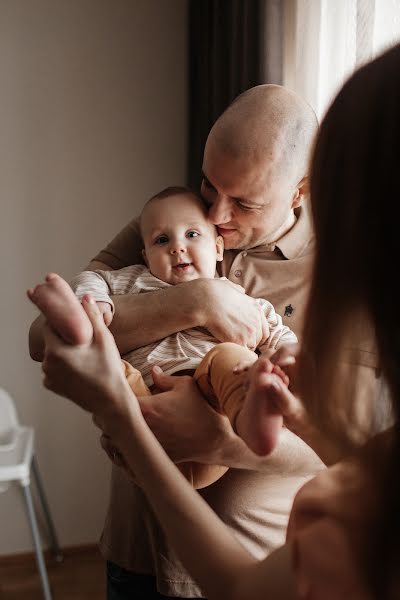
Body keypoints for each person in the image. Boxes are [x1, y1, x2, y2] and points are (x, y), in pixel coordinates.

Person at [31, 43, 400, 599]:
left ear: (300, 190)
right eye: (209, 185)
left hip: (255, 561)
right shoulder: (174, 221)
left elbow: (360, 441)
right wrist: (198, 301)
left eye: (244, 204)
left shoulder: (347, 262)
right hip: (138, 552)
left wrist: (221, 442)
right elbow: (46, 337)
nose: (216, 217)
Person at [43, 185, 297, 488]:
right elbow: (92, 277)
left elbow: (280, 337)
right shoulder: (135, 280)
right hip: (145, 402)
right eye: (162, 240)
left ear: (217, 248)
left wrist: (277, 359)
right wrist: (93, 299)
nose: (176, 247)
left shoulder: (238, 299)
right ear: (145, 255)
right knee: (109, 370)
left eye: (192, 235)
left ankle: (249, 414)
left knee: (232, 358)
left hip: (213, 404)